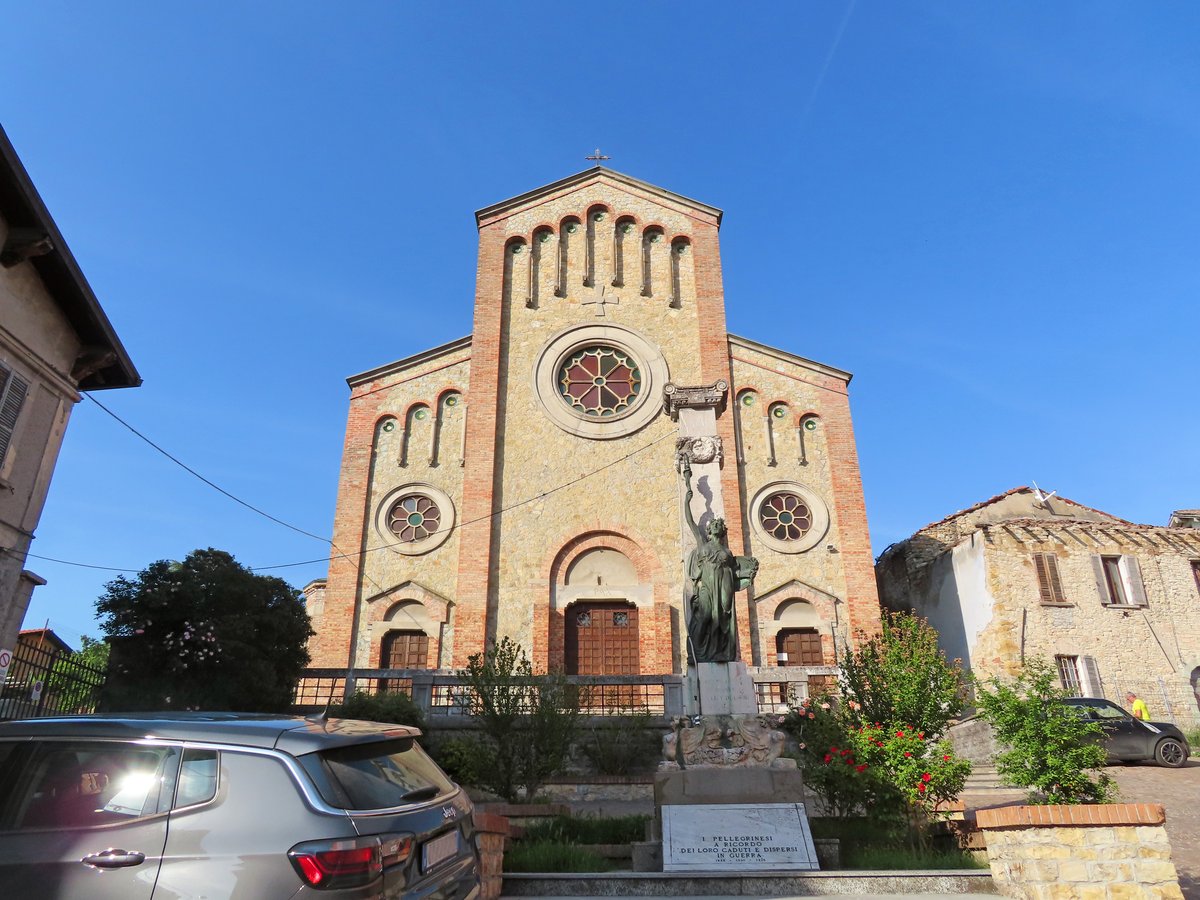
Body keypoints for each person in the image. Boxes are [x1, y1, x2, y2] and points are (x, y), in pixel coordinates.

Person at [680, 459, 758, 663]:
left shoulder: (727, 551)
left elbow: (737, 571)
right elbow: (690, 521)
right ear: (708, 530)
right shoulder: (702, 545)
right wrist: (687, 500)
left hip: (723, 584)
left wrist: (749, 572)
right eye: (713, 524)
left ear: (722, 531)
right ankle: (697, 653)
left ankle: (722, 652)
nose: (715, 525)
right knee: (705, 616)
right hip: (707, 586)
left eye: (718, 524)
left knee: (724, 615)